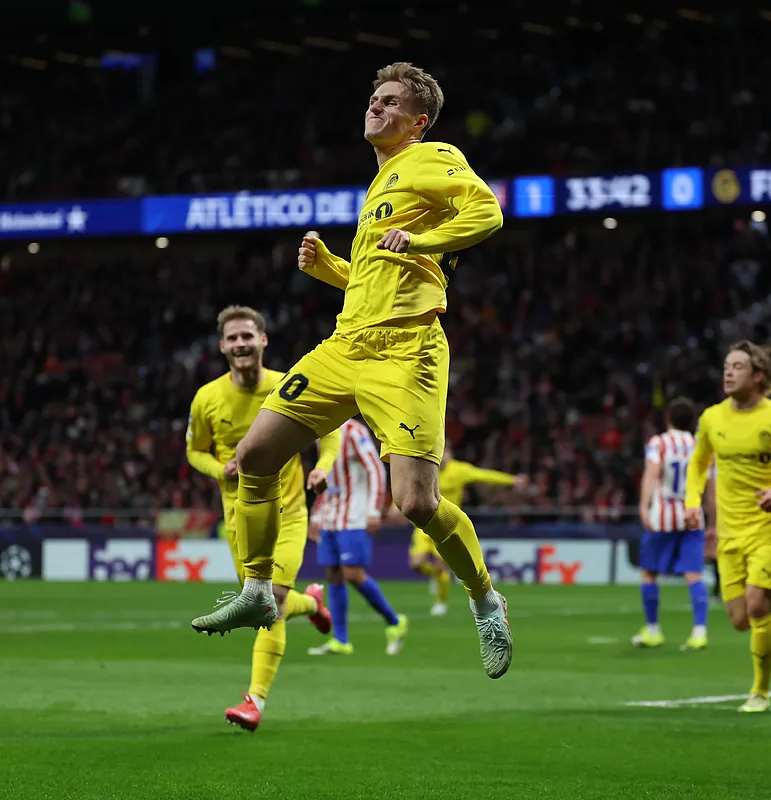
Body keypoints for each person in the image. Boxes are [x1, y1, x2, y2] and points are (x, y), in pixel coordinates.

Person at [189, 62, 513, 679]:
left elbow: (488, 213)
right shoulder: (381, 184)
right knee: (255, 454)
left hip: (406, 351)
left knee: (416, 502)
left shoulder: (430, 157)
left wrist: (422, 243)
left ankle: (484, 599)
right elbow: (378, 279)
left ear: (417, 122)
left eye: (390, 102)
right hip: (344, 346)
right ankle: (259, 590)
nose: (375, 106)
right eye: (373, 97)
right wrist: (333, 268)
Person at [186, 305, 341, 732]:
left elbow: (330, 428)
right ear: (222, 347)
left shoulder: (288, 384)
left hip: (289, 511)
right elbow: (193, 451)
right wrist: (221, 471)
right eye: (232, 339)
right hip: (239, 517)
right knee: (265, 605)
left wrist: (323, 465)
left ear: (263, 341)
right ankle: (311, 603)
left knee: (268, 599)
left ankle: (254, 700)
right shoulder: (207, 398)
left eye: (247, 336)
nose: (240, 344)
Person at [684, 340, 771, 714]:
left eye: (737, 366)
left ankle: (760, 691)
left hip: (767, 528)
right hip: (729, 531)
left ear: (758, 376)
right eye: (726, 365)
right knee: (739, 620)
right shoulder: (711, 418)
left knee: (757, 608)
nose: (728, 372)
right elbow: (698, 464)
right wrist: (693, 504)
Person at [307, 418, 408, 656]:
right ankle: (341, 640)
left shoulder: (353, 431)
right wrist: (316, 514)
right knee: (333, 573)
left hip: (355, 515)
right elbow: (326, 477)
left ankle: (394, 621)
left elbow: (374, 468)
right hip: (330, 515)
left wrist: (375, 510)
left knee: (352, 573)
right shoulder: (319, 433)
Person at [632, 397, 713, 651]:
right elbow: (710, 486)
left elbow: (653, 473)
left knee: (649, 572)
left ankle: (654, 630)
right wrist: (714, 521)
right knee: (694, 574)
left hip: (663, 517)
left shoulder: (659, 443)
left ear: (668, 418)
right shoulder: (699, 444)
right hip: (692, 515)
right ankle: (699, 632)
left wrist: (644, 506)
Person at [409, 445, 526, 616]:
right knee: (416, 564)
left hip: (444, 525)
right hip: (423, 525)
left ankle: (440, 603)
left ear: (450, 453)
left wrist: (512, 481)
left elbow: (484, 475)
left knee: (442, 565)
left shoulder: (459, 470)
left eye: (445, 452)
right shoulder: (426, 469)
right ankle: (436, 577)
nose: (443, 456)